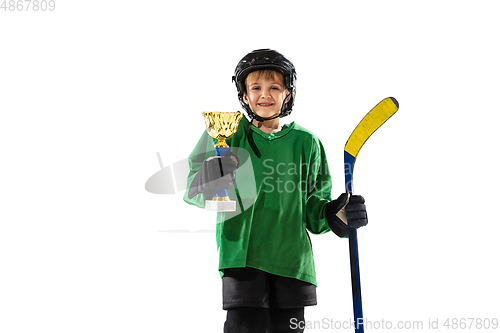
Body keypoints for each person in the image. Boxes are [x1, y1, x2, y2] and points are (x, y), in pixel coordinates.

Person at [184, 49, 368, 333]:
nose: (264, 95)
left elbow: (313, 208)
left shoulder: (307, 142)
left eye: (274, 88)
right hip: (242, 258)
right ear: (244, 96)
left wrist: (337, 213)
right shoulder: (228, 133)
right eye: (255, 88)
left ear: (288, 95)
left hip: (292, 261)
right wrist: (213, 174)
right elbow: (193, 189)